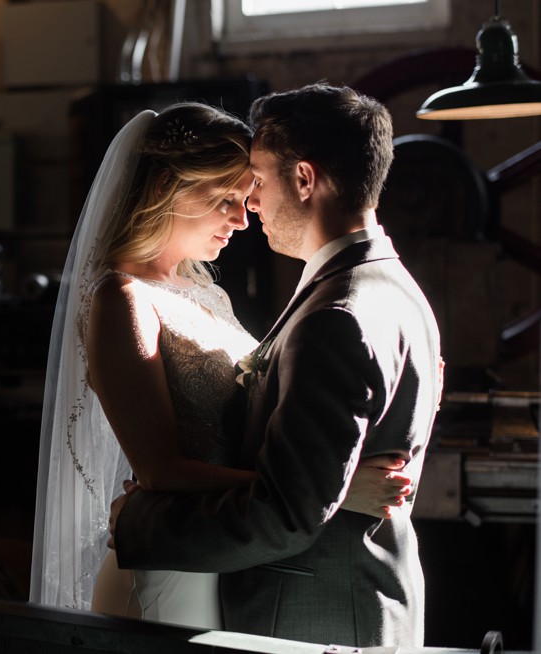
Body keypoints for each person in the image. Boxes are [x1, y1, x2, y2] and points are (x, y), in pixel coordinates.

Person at [29, 101, 412, 630]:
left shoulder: (206, 292)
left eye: (246, 196)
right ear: (165, 186)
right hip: (166, 576)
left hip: (218, 560)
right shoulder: (122, 299)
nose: (241, 217)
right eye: (223, 199)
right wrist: (338, 493)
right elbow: (161, 469)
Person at [108, 83, 442, 648]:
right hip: (359, 597)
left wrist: (137, 525)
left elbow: (287, 513)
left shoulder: (337, 315)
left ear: (305, 179)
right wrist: (338, 493)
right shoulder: (397, 289)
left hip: (315, 618)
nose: (250, 205)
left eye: (258, 182)